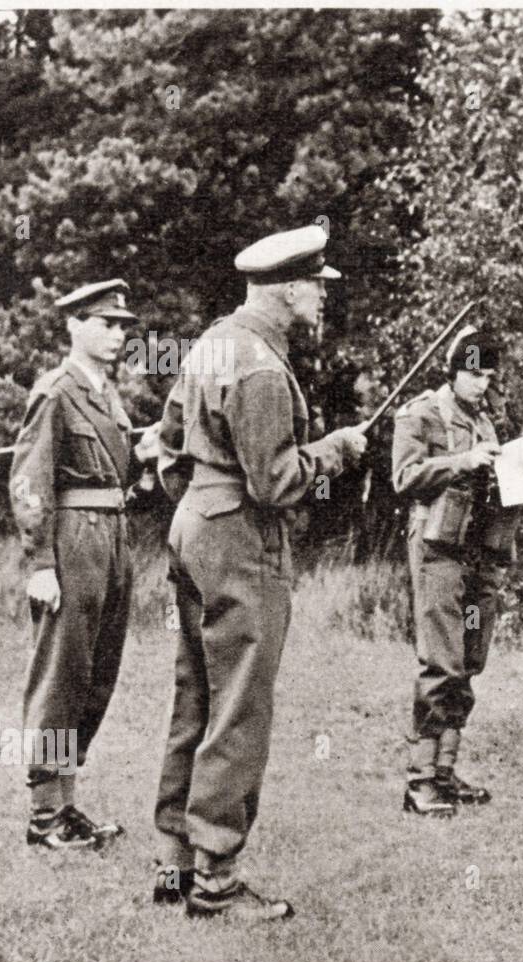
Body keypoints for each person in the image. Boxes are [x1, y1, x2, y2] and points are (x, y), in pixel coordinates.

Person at [153, 225, 368, 919]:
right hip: (241, 539)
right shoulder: (264, 368)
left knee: (196, 695)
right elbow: (275, 482)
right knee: (240, 703)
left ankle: (174, 863)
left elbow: (169, 439)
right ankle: (216, 881)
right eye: (316, 285)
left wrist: (199, 499)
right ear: (286, 288)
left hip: (193, 525)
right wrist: (333, 451)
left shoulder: (215, 341)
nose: (323, 296)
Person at [9, 280, 139, 849]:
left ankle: (66, 805)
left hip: (112, 537)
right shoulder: (56, 391)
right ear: (73, 326)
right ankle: (44, 815)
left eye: (122, 326)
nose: (116, 335)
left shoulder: (106, 394)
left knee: (94, 673)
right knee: (61, 673)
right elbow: (29, 478)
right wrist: (40, 561)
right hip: (71, 542)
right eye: (104, 323)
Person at [393, 328, 518, 817]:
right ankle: (420, 781)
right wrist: (462, 461)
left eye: (487, 374)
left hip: (479, 551)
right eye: (473, 373)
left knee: (468, 658)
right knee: (440, 660)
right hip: (437, 550)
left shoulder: (486, 419)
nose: (481, 383)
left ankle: (445, 771)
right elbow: (403, 478)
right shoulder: (421, 413)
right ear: (453, 369)